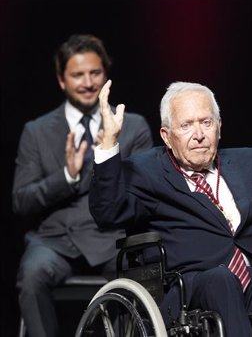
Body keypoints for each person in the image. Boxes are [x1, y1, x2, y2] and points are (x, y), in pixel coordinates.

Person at [89, 74, 252, 336]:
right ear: (166, 135)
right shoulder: (147, 172)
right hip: (191, 287)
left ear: (219, 126)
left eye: (206, 122)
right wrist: (108, 145)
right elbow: (108, 213)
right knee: (221, 279)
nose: (198, 134)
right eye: (186, 125)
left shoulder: (247, 164)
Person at [13, 34, 153, 337]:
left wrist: (109, 151)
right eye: (78, 75)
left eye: (95, 73)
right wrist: (66, 176)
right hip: (55, 241)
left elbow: (143, 194)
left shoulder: (132, 126)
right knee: (32, 273)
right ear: (62, 80)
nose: (88, 82)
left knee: (139, 274)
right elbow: (21, 201)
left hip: (111, 238)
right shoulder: (36, 131)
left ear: (106, 75)